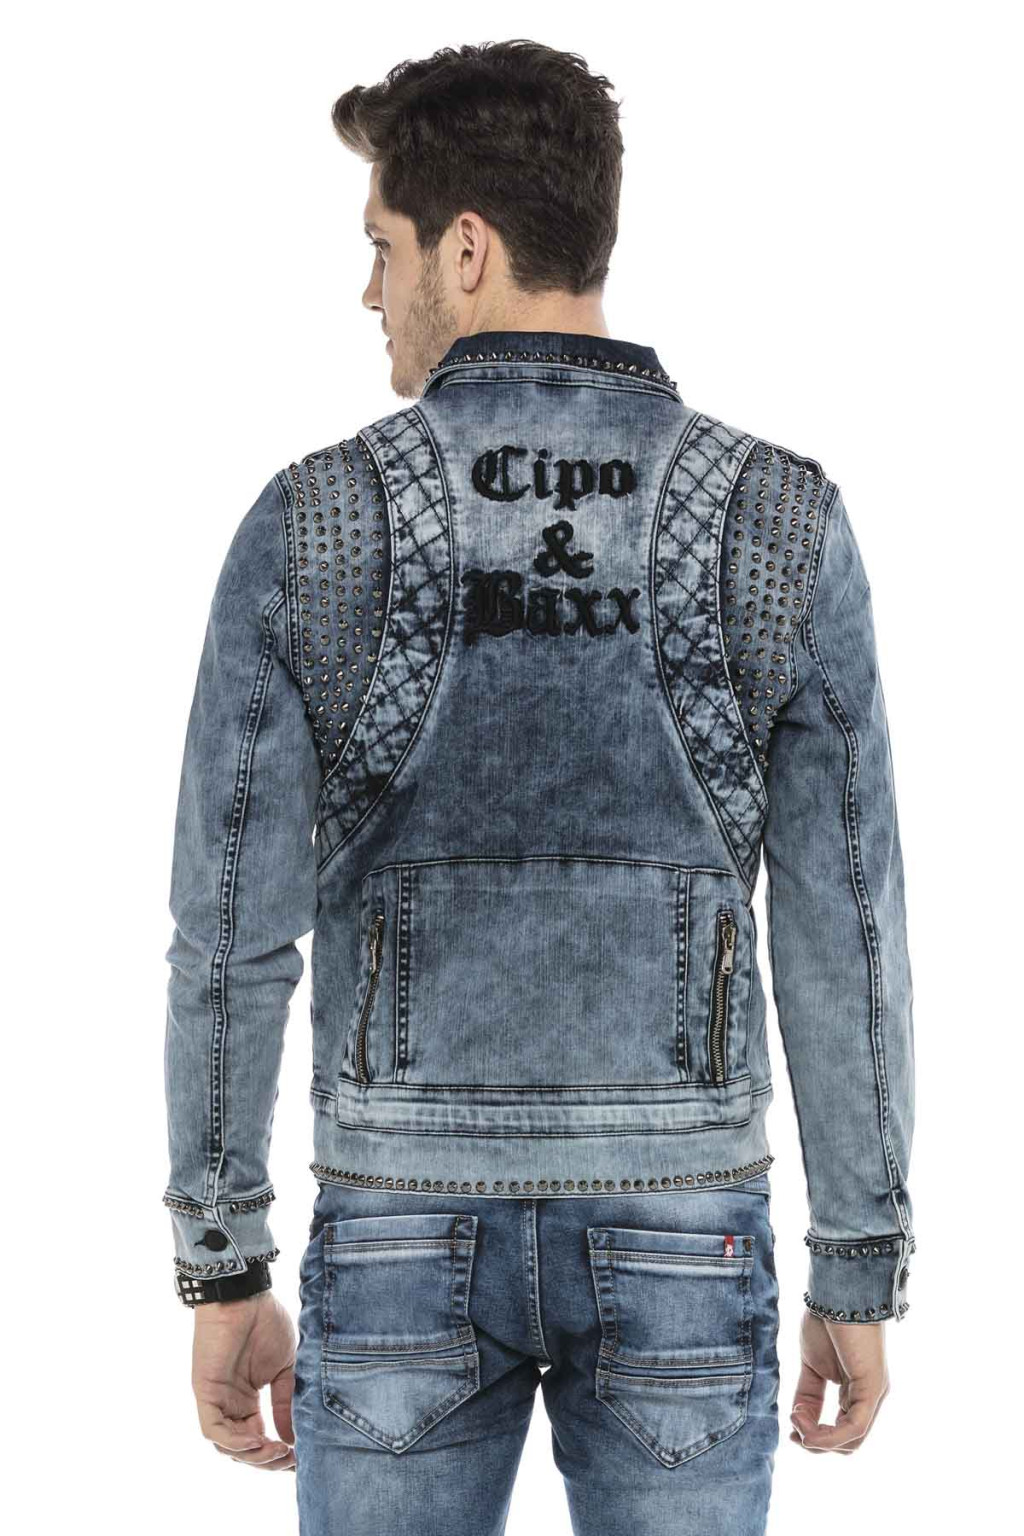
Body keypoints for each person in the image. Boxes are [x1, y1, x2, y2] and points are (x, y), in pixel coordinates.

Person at [162, 39, 916, 1536]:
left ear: (468, 248)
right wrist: (857, 1260)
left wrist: (224, 1261)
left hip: (395, 1232)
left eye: (381, 248)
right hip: (685, 1234)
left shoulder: (313, 522)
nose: (369, 292)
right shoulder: (779, 521)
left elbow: (229, 928)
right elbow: (847, 925)